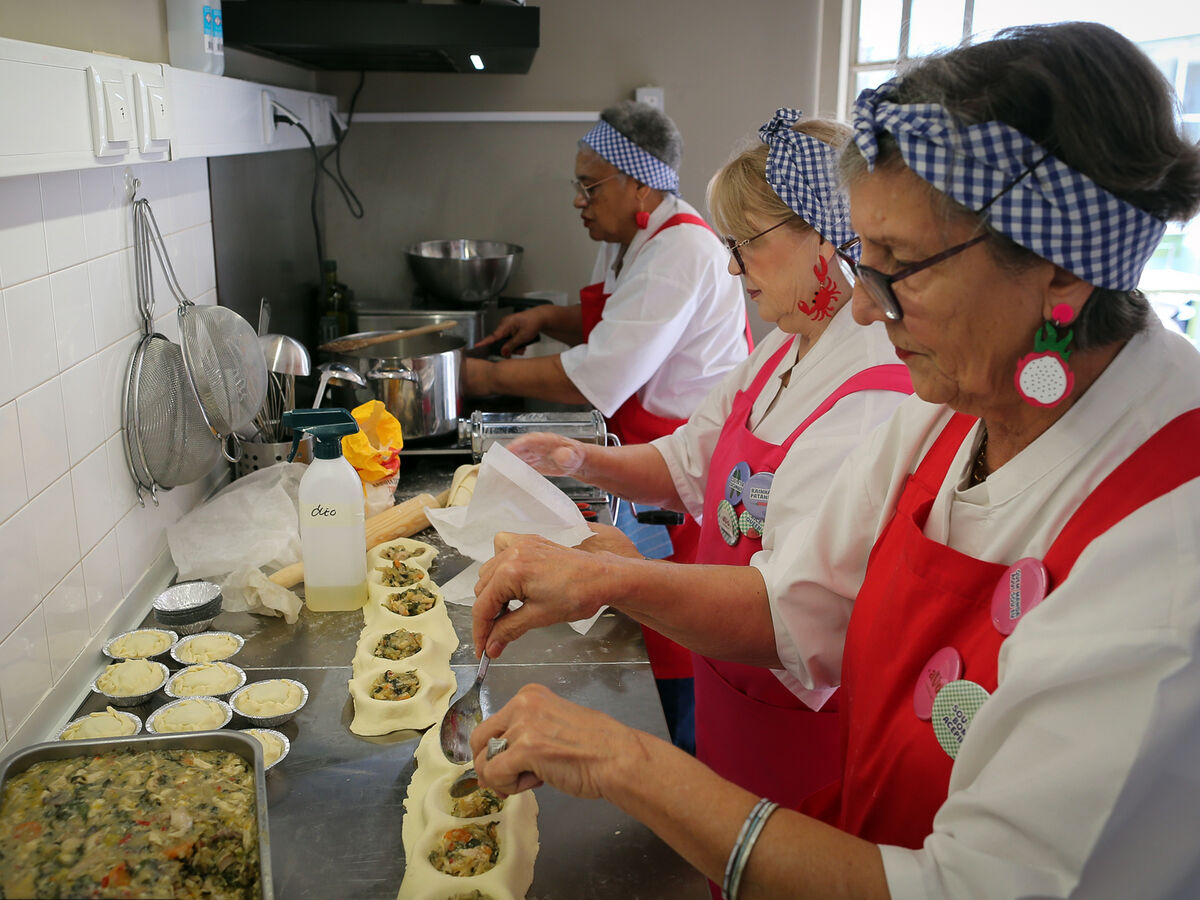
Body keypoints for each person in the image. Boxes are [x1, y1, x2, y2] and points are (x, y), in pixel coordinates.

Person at [467, 22, 1200, 898]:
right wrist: (604, 581)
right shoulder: (952, 413)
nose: (862, 313)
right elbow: (795, 608)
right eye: (864, 262)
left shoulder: (1165, 553)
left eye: (897, 269)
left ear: (1060, 274)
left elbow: (966, 888)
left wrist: (628, 763)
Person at [501, 110, 910, 810]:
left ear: (822, 237)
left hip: (794, 733)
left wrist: (614, 576)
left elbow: (789, 617)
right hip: (730, 693)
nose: (730, 265)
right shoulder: (784, 346)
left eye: (746, 243)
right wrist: (578, 458)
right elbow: (687, 461)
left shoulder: (871, 393)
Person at [463, 100, 751, 747]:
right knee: (641, 605)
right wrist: (547, 319)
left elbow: (595, 375)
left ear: (640, 184)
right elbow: (614, 320)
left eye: (590, 187)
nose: (578, 201)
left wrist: (475, 380)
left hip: (680, 476)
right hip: (642, 456)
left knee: (673, 631)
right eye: (579, 186)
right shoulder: (632, 241)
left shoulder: (682, 252)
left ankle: (682, 746)